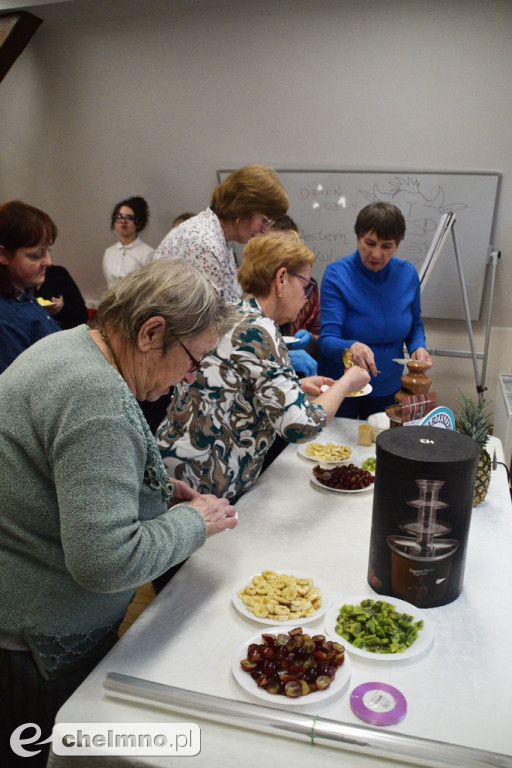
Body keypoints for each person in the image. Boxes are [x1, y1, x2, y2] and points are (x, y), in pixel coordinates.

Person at [0, 259, 238, 767]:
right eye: (193, 361)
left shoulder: (70, 346)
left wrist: (148, 490)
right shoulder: (97, 398)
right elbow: (105, 561)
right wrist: (195, 523)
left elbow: (62, 475)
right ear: (152, 332)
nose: (189, 378)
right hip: (35, 644)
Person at [157, 232, 369, 500]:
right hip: (203, 477)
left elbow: (229, 387)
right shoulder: (260, 329)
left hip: (173, 460)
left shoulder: (232, 311)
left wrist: (297, 387)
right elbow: (300, 426)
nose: (306, 297)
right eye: (306, 285)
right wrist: (346, 382)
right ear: (281, 279)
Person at [317, 201, 432, 419]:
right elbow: (326, 340)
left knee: (378, 446)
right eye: (370, 243)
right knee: (339, 450)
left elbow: (415, 324)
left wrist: (419, 347)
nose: (376, 254)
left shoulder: (407, 274)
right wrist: (352, 346)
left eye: (386, 246)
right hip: (342, 386)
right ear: (358, 237)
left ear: (397, 245)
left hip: (388, 384)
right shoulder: (337, 275)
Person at [154, 164, 289, 302]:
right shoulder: (204, 244)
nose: (265, 231)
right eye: (264, 220)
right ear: (243, 210)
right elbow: (212, 317)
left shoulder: (217, 237)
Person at [0, 200, 62, 374]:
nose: (48, 262)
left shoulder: (24, 295)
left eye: (48, 251)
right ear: (3, 255)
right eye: (36, 256)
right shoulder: (5, 320)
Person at [274, 215, 321, 377]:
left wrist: (310, 341)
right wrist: (279, 359)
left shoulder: (307, 288)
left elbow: (320, 339)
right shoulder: (242, 294)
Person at [102, 195, 154, 288]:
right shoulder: (109, 252)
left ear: (139, 223)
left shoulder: (148, 253)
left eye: (129, 217)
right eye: (119, 216)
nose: (123, 221)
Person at [35, 263, 88, 330]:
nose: (48, 261)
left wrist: (61, 308)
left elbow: (82, 316)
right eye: (36, 256)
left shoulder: (57, 273)